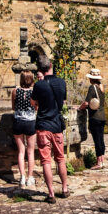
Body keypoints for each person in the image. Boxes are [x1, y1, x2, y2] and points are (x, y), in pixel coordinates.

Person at [31, 56, 68, 203]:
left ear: (39, 69)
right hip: (57, 125)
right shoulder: (61, 82)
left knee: (46, 160)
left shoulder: (39, 85)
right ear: (51, 65)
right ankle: (65, 188)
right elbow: (62, 101)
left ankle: (51, 193)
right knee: (60, 158)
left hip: (43, 125)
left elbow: (33, 102)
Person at [12, 71, 38, 188]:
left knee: (21, 151)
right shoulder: (34, 92)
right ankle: (30, 177)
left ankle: (22, 177)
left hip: (18, 121)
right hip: (30, 122)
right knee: (30, 151)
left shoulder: (15, 91)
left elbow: (13, 107)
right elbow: (36, 107)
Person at [78, 68, 106, 169]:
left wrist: (79, 108)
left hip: (95, 117)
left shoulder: (92, 87)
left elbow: (86, 103)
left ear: (91, 79)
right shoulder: (101, 87)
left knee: (97, 139)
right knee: (101, 139)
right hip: (102, 116)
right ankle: (102, 160)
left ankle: (99, 163)